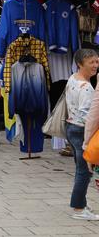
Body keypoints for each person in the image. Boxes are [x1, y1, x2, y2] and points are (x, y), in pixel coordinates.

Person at [64, 49, 99, 220]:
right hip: (81, 130)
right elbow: (87, 115)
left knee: (81, 169)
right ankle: (78, 209)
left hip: (71, 127)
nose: (95, 66)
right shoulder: (86, 88)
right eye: (91, 62)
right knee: (84, 171)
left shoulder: (72, 79)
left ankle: (81, 203)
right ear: (80, 64)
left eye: (97, 62)